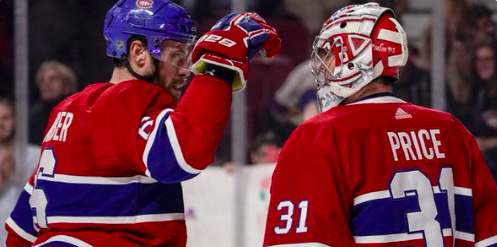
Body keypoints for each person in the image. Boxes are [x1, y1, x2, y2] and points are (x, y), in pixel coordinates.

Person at [5, 0, 280, 246]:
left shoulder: (71, 108)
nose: (185, 70)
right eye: (176, 56)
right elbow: (182, 154)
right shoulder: (128, 98)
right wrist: (218, 64)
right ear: (138, 52)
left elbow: (20, 231)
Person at [264, 3, 497, 247]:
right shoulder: (451, 130)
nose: (324, 65)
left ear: (355, 59)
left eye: (330, 54)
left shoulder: (320, 135)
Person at [0, 97, 40, 244]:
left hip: (24, 237)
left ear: (15, 120)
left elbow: (40, 196)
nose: (1, 123)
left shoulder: (34, 155)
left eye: (6, 118)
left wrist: (14, 175)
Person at [29, 60, 78, 145]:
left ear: (66, 84)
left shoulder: (79, 111)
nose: (46, 83)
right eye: (42, 80)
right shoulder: (33, 117)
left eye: (53, 79)